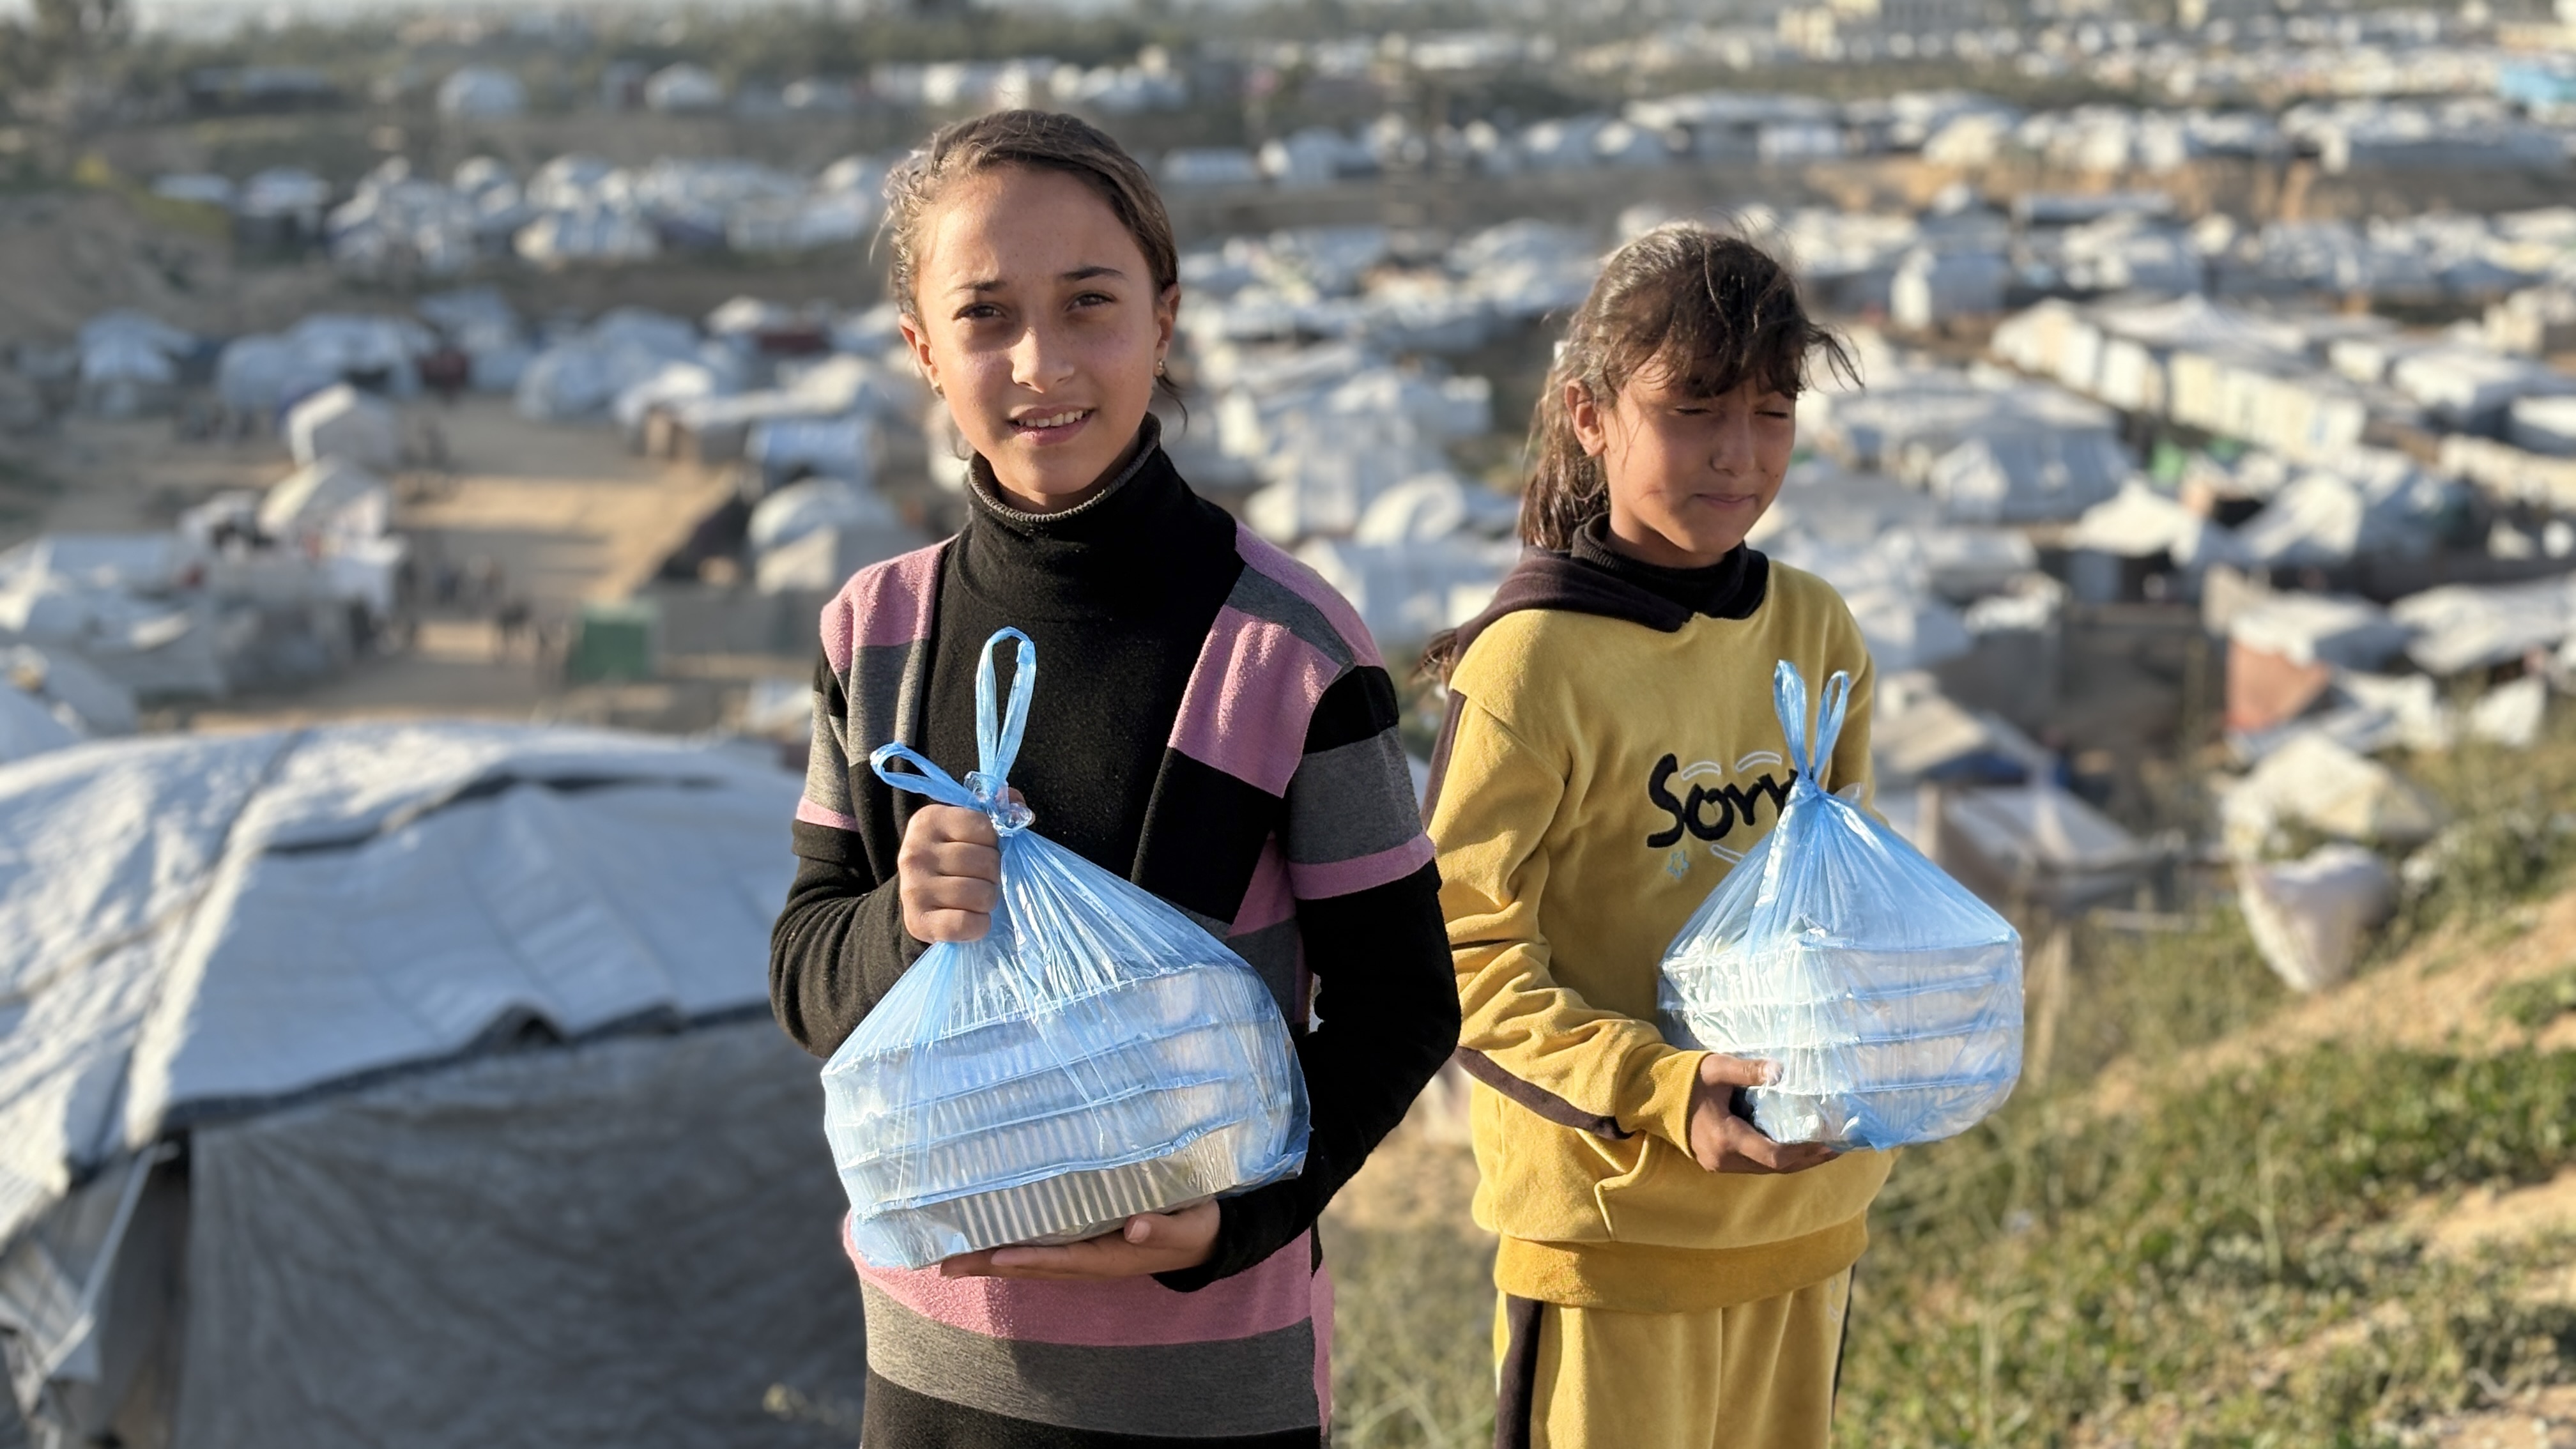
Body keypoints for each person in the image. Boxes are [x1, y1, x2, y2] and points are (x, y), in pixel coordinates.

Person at [768, 109, 1458, 1448]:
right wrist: (901, 917)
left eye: (1090, 303)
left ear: (1164, 320)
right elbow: (806, 978)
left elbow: (1404, 1003)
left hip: (1208, 1392)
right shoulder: (875, 636)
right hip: (931, 1385)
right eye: (986, 317)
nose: (1043, 363)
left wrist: (1235, 1225)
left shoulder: (1284, 650)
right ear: (922, 350)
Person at [1418, 224, 1882, 1449]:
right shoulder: (1533, 666)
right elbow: (1458, 958)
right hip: (1612, 1238)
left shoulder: (1815, 631)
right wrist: (1662, 1089)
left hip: (1802, 1222)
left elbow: (1851, 902)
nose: (1740, 454)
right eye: (1693, 411)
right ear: (1591, 416)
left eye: (1772, 412)